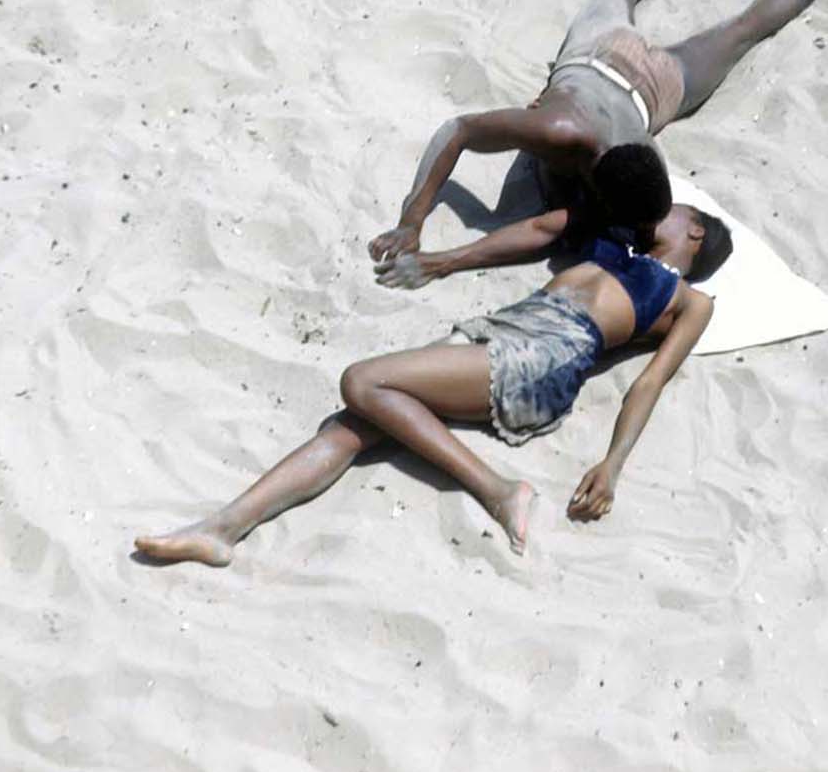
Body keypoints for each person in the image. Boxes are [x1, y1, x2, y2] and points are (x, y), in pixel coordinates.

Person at [134, 203, 734, 566]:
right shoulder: (616, 239)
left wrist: (613, 464)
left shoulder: (690, 300)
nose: (666, 209)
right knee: (352, 427)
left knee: (362, 381)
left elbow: (651, 382)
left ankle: (499, 491)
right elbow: (543, 224)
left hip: (545, 357)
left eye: (678, 210)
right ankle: (223, 529)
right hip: (501, 333)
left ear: (696, 233)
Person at [367, 0, 828, 266]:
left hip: (617, 67)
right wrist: (412, 222)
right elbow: (455, 132)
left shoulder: (584, 146)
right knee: (741, 30)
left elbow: (461, 130)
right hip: (647, 86)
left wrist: (415, 227)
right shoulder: (578, 138)